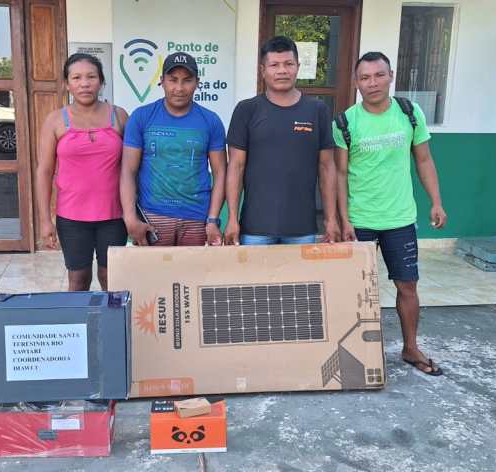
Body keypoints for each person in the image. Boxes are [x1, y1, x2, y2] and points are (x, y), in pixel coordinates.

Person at [333, 51, 448, 376]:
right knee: (355, 292)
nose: (373, 83)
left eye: (379, 75)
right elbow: (339, 174)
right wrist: (344, 220)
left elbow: (423, 159)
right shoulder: (345, 122)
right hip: (360, 222)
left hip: (400, 219)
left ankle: (411, 348)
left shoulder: (410, 113)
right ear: (356, 83)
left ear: (391, 76)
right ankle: (353, 354)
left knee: (407, 286)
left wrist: (436, 201)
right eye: (365, 77)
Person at [224, 36, 340, 245]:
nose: (282, 71)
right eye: (274, 65)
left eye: (288, 64)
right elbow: (236, 167)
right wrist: (232, 218)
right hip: (255, 228)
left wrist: (331, 219)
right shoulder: (246, 110)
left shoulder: (317, 110)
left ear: (298, 67)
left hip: (301, 228)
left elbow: (327, 167)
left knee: (301, 270)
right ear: (263, 70)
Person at [35, 53, 129, 291]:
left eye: (91, 77)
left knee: (112, 279)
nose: (84, 83)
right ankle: (79, 317)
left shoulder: (119, 116)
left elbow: (133, 167)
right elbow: (44, 171)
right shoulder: (55, 120)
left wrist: (134, 213)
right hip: (72, 217)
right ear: (67, 84)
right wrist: (45, 220)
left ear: (101, 82)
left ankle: (111, 317)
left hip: (114, 215)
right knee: (78, 279)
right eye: (76, 78)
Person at [120, 52, 227, 246]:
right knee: (153, 268)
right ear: (162, 81)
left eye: (187, 80)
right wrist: (130, 217)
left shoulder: (211, 121)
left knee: (192, 268)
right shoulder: (141, 117)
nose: (179, 88)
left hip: (196, 219)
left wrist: (212, 219)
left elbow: (220, 174)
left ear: (197, 83)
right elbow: (128, 170)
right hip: (152, 217)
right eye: (173, 80)